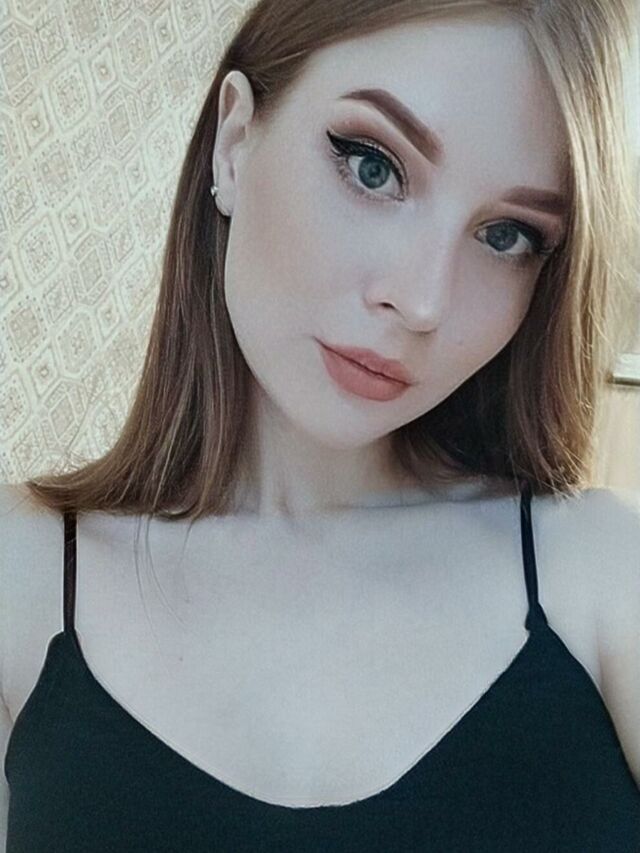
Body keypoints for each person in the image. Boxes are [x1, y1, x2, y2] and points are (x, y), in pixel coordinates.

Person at [1, 0, 639, 849]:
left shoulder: (601, 575)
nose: (422, 300)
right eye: (374, 167)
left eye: (505, 234)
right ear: (234, 142)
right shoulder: (22, 573)